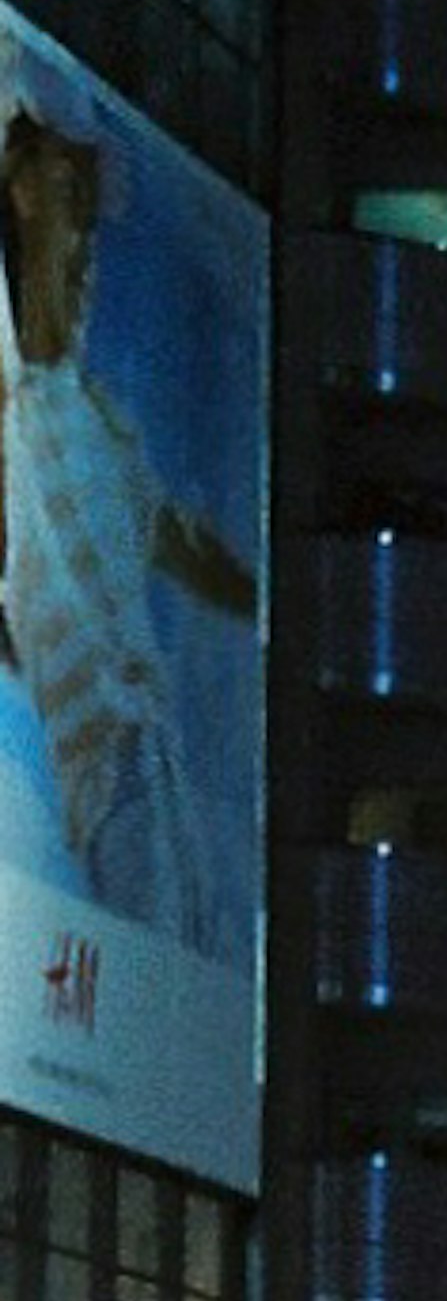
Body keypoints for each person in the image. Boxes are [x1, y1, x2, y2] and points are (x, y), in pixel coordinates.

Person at [0, 104, 259, 950]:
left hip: (155, 764)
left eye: (90, 219)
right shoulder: (10, 398)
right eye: (66, 199)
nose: (84, 252)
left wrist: (285, 606)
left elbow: (182, 544)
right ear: (22, 198)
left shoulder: (102, 418)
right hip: (107, 778)